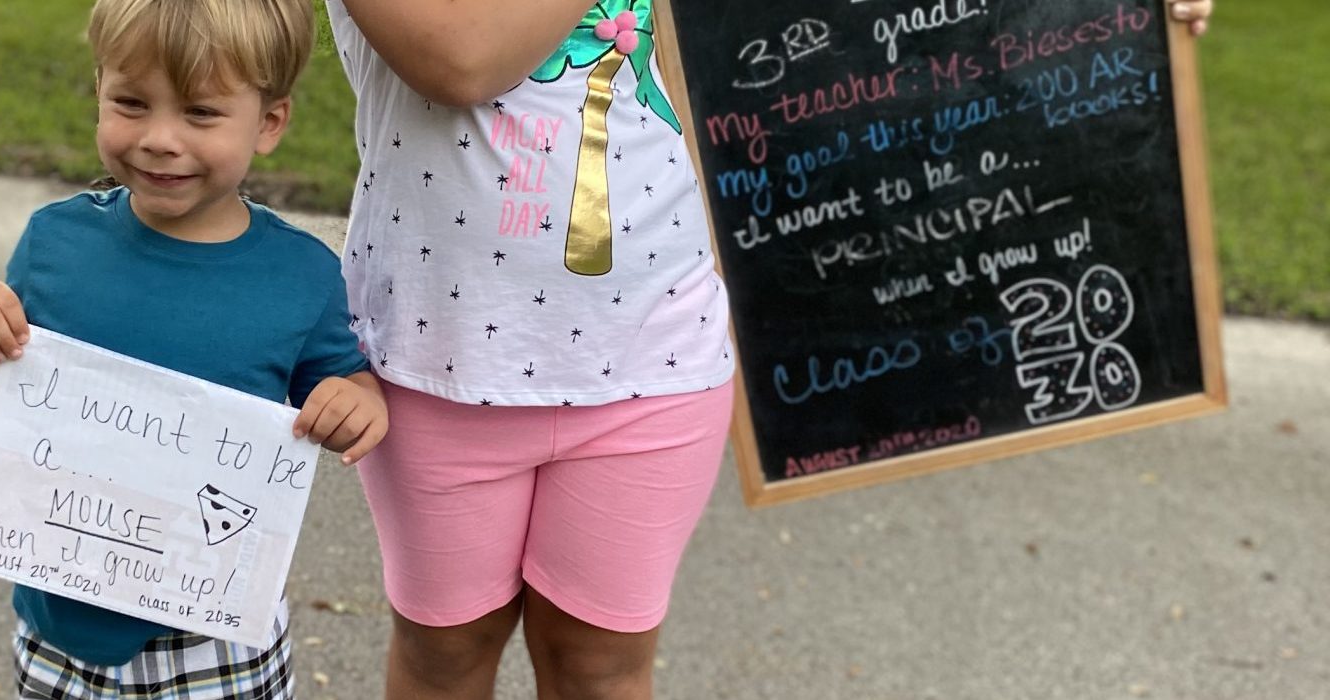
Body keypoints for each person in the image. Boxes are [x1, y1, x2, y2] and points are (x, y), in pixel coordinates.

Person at [323, 0, 1217, 698]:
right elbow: (459, 57)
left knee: (599, 666)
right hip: (438, 362)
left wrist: (1114, 12)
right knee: (446, 655)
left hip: (653, 356)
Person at [0, 1, 386, 697]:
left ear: (269, 122)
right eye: (131, 103)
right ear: (99, 90)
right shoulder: (55, 244)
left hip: (215, 632)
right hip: (60, 617)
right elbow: (0, 392)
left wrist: (355, 405)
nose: (159, 139)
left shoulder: (301, 276)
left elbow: (348, 386)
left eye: (201, 112)